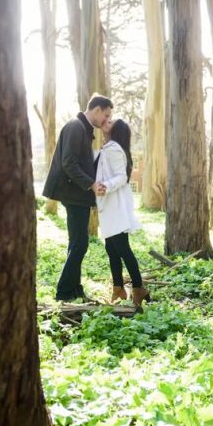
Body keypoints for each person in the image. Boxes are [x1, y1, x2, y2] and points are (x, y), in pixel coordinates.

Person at [43, 94, 113, 302]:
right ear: (97, 109)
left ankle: (74, 289)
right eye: (106, 114)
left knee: (78, 243)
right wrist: (91, 184)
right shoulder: (76, 127)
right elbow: (69, 163)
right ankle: (64, 292)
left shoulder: (84, 129)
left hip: (77, 194)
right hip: (72, 194)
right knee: (79, 244)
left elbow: (82, 163)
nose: (107, 119)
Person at [96, 119, 150, 307]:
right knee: (111, 249)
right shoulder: (108, 147)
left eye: (111, 122)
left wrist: (105, 186)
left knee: (122, 249)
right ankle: (118, 289)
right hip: (110, 205)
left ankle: (138, 287)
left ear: (116, 131)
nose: (106, 122)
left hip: (116, 207)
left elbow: (120, 176)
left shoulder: (115, 149)